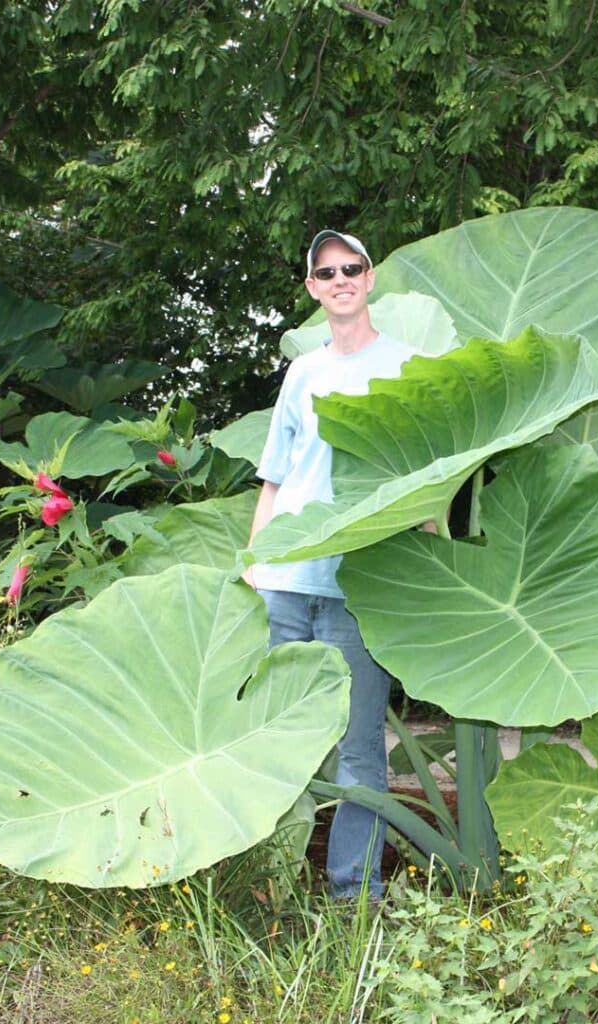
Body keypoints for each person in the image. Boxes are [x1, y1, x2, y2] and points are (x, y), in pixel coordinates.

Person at [244, 229, 416, 900]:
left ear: (370, 279)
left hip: (358, 587)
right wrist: (258, 563)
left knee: (358, 750)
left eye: (352, 267)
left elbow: (423, 470)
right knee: (277, 737)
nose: (341, 278)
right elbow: (275, 478)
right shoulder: (303, 371)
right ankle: (267, 884)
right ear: (314, 288)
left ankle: (354, 894)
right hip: (288, 581)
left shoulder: (404, 365)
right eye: (327, 272)